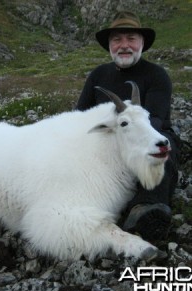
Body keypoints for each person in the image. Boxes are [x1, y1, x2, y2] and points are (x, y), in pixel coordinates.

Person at [76, 11, 180, 241]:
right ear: (110, 46)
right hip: (105, 139)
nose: (124, 45)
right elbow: (78, 116)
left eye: (131, 38)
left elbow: (155, 121)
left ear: (142, 43)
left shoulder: (157, 75)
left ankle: (147, 207)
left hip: (148, 134)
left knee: (163, 148)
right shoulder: (98, 75)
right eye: (117, 40)